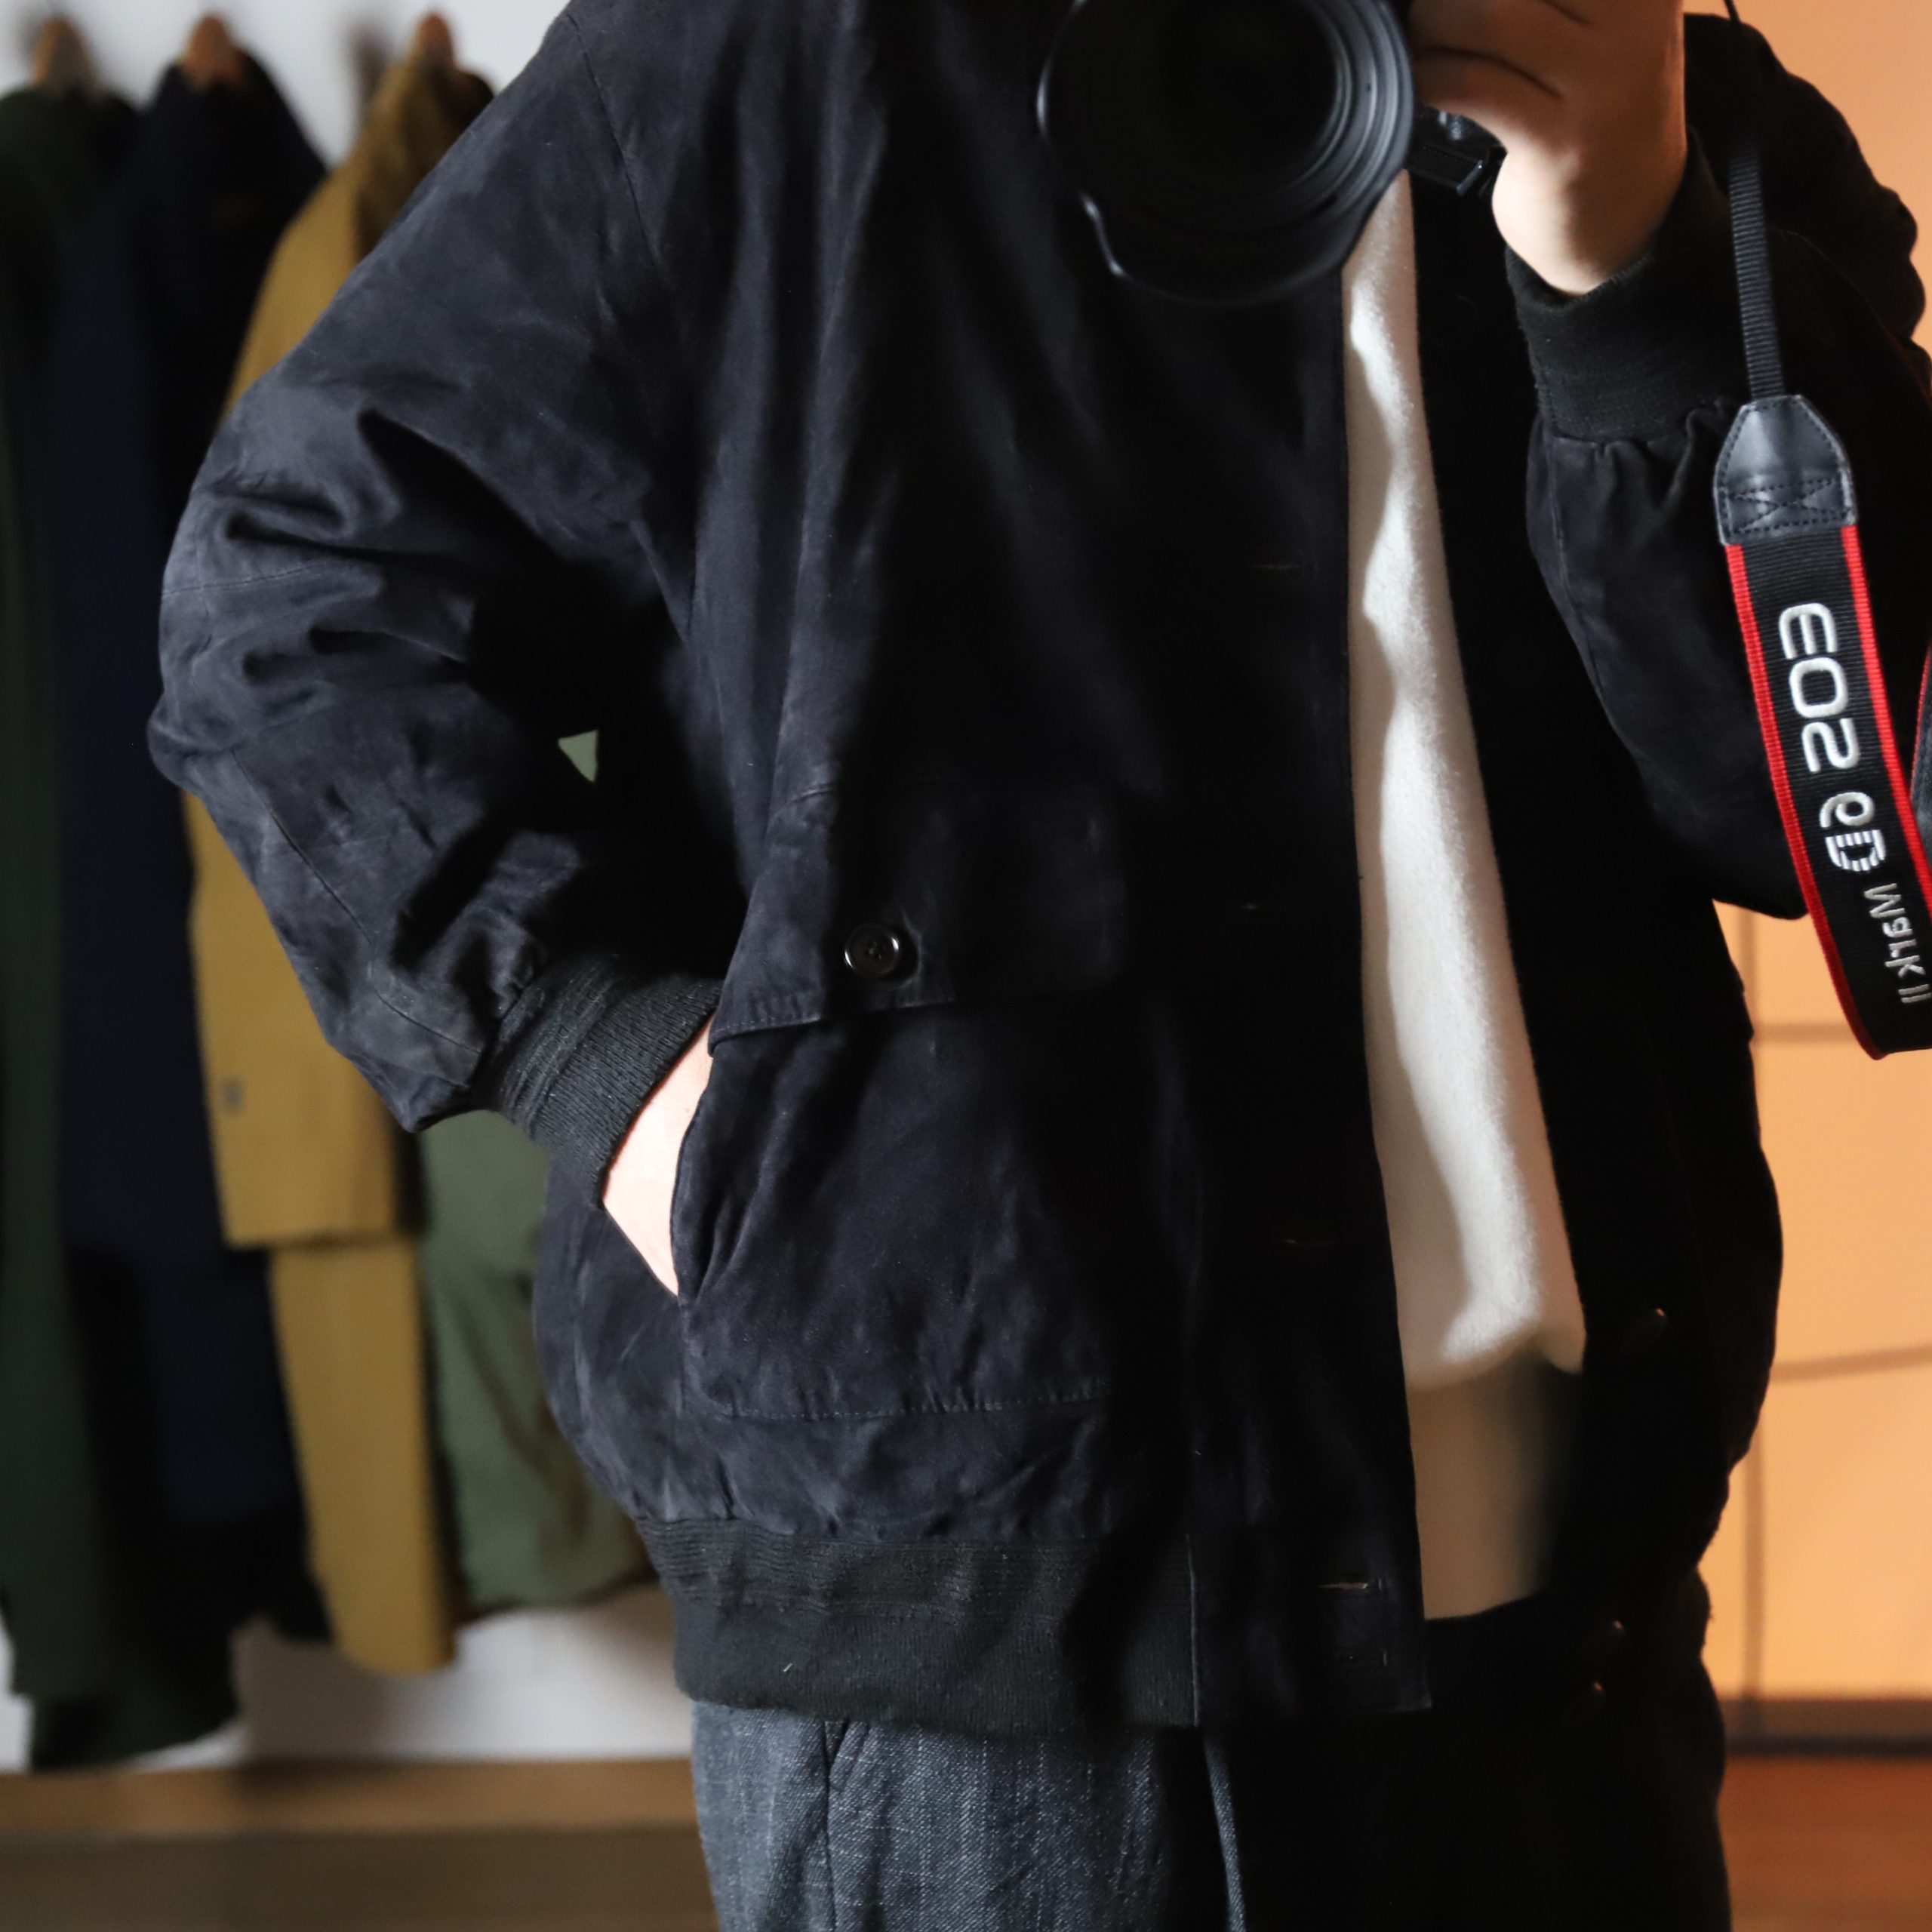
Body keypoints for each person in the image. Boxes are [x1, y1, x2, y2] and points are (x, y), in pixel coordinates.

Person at [152, 0, 1932, 1924]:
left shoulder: (1665, 86)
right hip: (981, 1619)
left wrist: (1624, 254)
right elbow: (298, 596)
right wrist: (639, 1088)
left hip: (1572, 1609)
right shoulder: (773, 47)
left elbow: (1818, 818)